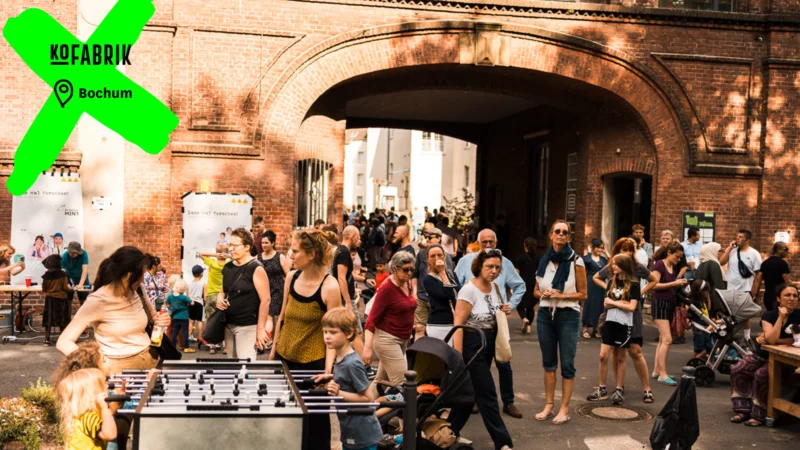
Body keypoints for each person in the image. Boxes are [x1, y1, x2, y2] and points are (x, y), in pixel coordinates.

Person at [57, 247, 170, 373]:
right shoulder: (98, 300)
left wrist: (160, 320)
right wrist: (93, 365)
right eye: (141, 275)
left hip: (150, 362)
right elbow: (64, 342)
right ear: (128, 275)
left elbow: (154, 317)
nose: (143, 279)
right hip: (117, 371)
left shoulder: (138, 290)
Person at [455, 229, 525, 419]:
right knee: (479, 366)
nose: (487, 245)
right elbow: (456, 285)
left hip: (496, 323)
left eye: (491, 242)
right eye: (484, 242)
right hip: (474, 326)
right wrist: (462, 305)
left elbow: (520, 286)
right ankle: (476, 400)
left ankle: (508, 402)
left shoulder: (505, 263)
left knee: (504, 363)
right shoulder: (465, 262)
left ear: (496, 243)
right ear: (477, 243)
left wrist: (510, 305)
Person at [449, 249, 514, 450]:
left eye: (497, 267)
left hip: (489, 343)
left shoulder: (495, 287)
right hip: (472, 344)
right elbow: (458, 325)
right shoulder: (468, 290)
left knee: (469, 395)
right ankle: (503, 442)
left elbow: (495, 313)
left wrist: (505, 309)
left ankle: (447, 432)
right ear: (479, 266)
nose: (494, 271)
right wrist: (458, 357)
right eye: (489, 267)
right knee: (487, 394)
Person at [533, 220, 587, 424]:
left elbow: (583, 294)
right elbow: (535, 290)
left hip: (568, 316)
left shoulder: (576, 261)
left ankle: (564, 408)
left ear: (569, 237)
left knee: (567, 364)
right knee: (548, 363)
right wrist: (544, 294)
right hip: (545, 315)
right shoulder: (544, 260)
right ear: (551, 235)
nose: (561, 235)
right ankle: (549, 405)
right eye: (557, 231)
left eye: (565, 232)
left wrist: (562, 295)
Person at [591, 238, 658, 404]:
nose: (627, 253)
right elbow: (597, 277)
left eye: (630, 250)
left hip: (630, 315)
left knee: (635, 351)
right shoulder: (613, 267)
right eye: (624, 249)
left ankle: (647, 388)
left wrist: (639, 293)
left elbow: (654, 280)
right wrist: (609, 291)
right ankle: (618, 387)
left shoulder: (636, 267)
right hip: (613, 316)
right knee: (614, 351)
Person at [729, 284, 800, 427]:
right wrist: (780, 318)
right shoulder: (769, 315)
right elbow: (773, 339)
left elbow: (773, 340)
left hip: (784, 359)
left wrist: (773, 339)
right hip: (761, 355)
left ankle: (759, 414)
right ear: (778, 299)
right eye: (787, 295)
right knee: (738, 368)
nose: (791, 298)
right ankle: (743, 409)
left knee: (761, 374)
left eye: (795, 296)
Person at [271, 229, 341, 371]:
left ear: (311, 254)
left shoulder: (330, 287)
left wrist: (327, 371)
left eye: (295, 251)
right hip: (283, 357)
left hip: (312, 364)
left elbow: (334, 332)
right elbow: (282, 318)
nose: (291, 255)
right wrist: (273, 352)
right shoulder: (291, 277)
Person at [316, 308, 382, 450]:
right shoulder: (340, 358)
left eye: (333, 332)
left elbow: (368, 398)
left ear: (349, 333)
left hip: (362, 433)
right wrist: (329, 381)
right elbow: (347, 382)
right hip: (350, 428)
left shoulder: (352, 363)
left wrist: (338, 393)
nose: (327, 336)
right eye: (325, 332)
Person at [214, 228, 273, 360]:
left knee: (245, 366)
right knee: (232, 366)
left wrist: (260, 329)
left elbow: (266, 300)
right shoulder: (228, 267)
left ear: (247, 247)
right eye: (230, 245)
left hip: (247, 326)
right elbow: (222, 292)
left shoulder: (256, 268)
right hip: (228, 325)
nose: (231, 249)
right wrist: (219, 299)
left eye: (235, 245)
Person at [590, 254, 640, 406]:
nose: (613, 266)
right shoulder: (611, 282)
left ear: (624, 265)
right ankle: (602, 388)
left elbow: (632, 307)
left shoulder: (634, 285)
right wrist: (621, 302)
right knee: (603, 355)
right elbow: (605, 304)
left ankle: (619, 389)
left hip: (624, 324)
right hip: (609, 322)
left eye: (616, 264)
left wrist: (614, 303)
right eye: (613, 264)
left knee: (620, 356)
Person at [363, 251, 417, 392]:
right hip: (387, 340)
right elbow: (371, 320)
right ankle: (406, 407)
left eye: (411, 269)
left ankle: (368, 405)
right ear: (394, 269)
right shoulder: (386, 289)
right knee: (403, 384)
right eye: (405, 270)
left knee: (381, 382)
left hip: (402, 338)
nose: (409, 273)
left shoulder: (406, 283)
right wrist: (367, 348)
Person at [650, 242, 688, 386]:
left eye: (680, 258)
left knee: (662, 339)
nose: (679, 260)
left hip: (669, 303)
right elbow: (654, 285)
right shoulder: (659, 265)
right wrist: (674, 283)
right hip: (660, 303)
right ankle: (662, 374)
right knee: (667, 339)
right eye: (677, 257)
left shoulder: (673, 266)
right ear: (669, 253)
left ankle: (657, 370)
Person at [56, 368, 117, 449]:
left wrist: (120, 397)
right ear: (94, 392)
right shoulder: (88, 418)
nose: (107, 386)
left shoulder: (80, 416)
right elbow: (110, 434)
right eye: (103, 384)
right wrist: (105, 408)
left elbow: (111, 413)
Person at [720, 229, 762, 341]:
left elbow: (758, 273)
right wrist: (729, 249)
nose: (737, 238)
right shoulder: (732, 251)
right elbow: (721, 262)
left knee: (746, 313)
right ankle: (729, 335)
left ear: (747, 240)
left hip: (745, 287)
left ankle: (747, 337)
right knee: (729, 313)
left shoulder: (754, 253)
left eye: (740, 237)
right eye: (737, 236)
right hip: (730, 288)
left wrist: (755, 291)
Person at [412, 228, 454, 339]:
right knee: (419, 328)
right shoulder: (421, 254)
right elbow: (415, 274)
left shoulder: (446, 257)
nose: (427, 240)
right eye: (426, 237)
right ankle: (419, 349)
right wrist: (414, 293)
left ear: (439, 238)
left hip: (437, 299)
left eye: (430, 237)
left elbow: (450, 279)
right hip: (422, 297)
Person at [333, 226, 366, 357]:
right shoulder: (344, 252)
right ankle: (364, 364)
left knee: (347, 332)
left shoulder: (340, 250)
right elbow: (341, 278)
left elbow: (347, 275)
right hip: (345, 299)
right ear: (352, 236)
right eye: (358, 237)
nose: (359, 240)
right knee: (357, 331)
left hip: (343, 297)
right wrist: (348, 302)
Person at [257, 230, 292, 341]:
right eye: (262, 243)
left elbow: (289, 275)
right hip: (263, 290)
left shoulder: (279, 257)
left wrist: (289, 290)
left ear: (272, 243)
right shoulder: (258, 257)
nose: (264, 245)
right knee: (266, 316)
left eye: (266, 243)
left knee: (270, 316)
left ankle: (265, 340)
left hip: (277, 290)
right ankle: (271, 340)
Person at [422, 244, 461, 342]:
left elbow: (459, 293)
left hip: (456, 322)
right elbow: (448, 295)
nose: (437, 258)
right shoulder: (428, 279)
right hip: (440, 325)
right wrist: (442, 272)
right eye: (432, 256)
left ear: (444, 256)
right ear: (428, 260)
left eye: (439, 255)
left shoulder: (451, 275)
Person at [198, 244, 229, 354]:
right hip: (223, 295)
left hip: (211, 294)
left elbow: (200, 254)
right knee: (225, 321)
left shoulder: (212, 262)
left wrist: (216, 255)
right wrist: (227, 256)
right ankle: (225, 346)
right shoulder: (228, 264)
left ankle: (212, 346)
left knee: (211, 320)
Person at [42, 254, 72, 346]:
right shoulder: (63, 275)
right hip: (61, 299)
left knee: (49, 319)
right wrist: (70, 288)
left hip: (49, 300)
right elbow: (65, 288)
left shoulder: (46, 275)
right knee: (62, 319)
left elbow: (44, 289)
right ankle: (63, 339)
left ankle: (47, 339)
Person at [582, 239, 608, 339]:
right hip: (590, 282)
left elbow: (611, 264)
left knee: (599, 306)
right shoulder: (588, 258)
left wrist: (606, 252)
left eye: (601, 248)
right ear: (593, 247)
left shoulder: (603, 259)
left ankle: (596, 329)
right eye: (598, 247)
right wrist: (589, 252)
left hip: (601, 284)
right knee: (589, 304)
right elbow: (586, 261)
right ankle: (585, 328)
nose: (599, 250)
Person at [755, 241, 792, 312]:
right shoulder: (783, 264)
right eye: (785, 249)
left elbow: (758, 280)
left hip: (767, 295)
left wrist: (755, 294)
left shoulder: (765, 263)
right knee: (779, 314)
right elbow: (788, 281)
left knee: (770, 314)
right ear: (778, 250)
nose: (787, 252)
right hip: (778, 296)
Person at [514, 237, 539, 335]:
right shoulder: (539, 258)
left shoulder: (521, 258)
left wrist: (514, 285)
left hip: (523, 284)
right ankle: (528, 327)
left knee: (520, 305)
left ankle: (524, 319)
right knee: (530, 306)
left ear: (525, 246)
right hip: (534, 284)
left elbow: (517, 273)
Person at [686, 280, 714, 360]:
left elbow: (708, 308)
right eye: (706, 291)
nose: (708, 293)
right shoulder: (692, 301)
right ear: (700, 292)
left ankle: (701, 358)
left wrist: (708, 297)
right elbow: (686, 310)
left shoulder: (702, 300)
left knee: (709, 345)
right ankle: (696, 359)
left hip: (705, 327)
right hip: (698, 327)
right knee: (699, 347)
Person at [167, 279, 196, 353]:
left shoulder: (170, 296)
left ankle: (173, 347)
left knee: (174, 332)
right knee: (185, 332)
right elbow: (192, 303)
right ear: (183, 289)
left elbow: (168, 304)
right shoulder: (183, 297)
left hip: (175, 317)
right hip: (184, 317)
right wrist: (189, 298)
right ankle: (186, 347)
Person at [62, 241, 90, 306]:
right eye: (70, 252)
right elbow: (62, 272)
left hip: (82, 278)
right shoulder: (64, 256)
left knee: (84, 301)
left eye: (74, 253)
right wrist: (66, 283)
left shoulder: (84, 254)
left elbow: (85, 269)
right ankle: (68, 313)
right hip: (70, 279)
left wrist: (81, 284)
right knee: (67, 301)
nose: (71, 254)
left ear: (78, 252)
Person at [187, 265, 206, 348]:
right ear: (201, 274)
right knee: (200, 321)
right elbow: (204, 297)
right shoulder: (203, 284)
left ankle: (189, 336)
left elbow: (187, 295)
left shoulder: (189, 284)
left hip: (191, 303)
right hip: (199, 303)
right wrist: (205, 303)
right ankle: (200, 337)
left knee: (191, 321)